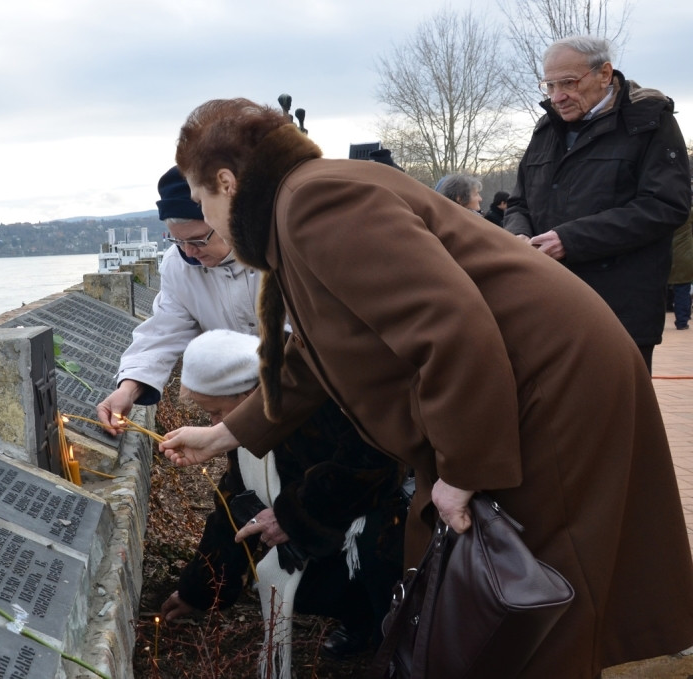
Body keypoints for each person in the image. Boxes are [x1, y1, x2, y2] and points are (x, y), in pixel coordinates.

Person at [158, 97, 693, 678]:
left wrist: (464, 470)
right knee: (504, 592)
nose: (206, 219)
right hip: (519, 377)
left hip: (547, 380)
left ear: (228, 182)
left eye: (203, 198)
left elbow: (451, 326)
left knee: (527, 590)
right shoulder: (301, 205)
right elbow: (313, 355)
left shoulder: (315, 203)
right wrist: (224, 434)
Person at [159, 330, 406, 670]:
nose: (213, 425)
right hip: (329, 530)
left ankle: (397, 640)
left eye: (216, 412)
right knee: (294, 576)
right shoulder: (248, 436)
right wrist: (196, 591)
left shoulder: (323, 403)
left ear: (248, 395)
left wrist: (294, 516)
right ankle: (360, 618)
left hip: (385, 516)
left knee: (376, 554)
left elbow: (373, 467)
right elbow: (232, 507)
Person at [503, 35, 691, 371]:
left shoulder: (650, 123)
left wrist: (570, 240)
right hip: (544, 305)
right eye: (549, 85)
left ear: (604, 74)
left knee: (614, 418)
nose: (557, 97)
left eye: (569, 83)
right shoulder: (545, 129)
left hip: (618, 311)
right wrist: (517, 237)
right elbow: (518, 203)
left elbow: (665, 205)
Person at [95, 166, 262, 433]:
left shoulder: (275, 251)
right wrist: (129, 388)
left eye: (198, 239)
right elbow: (164, 331)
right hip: (235, 403)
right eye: (178, 240)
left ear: (228, 218)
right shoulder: (179, 264)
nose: (189, 251)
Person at [667, 206, 693, 330]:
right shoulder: (688, 212)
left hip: (667, 254)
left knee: (663, 289)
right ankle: (682, 320)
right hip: (685, 255)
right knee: (683, 288)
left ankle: (670, 311)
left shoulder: (665, 211)